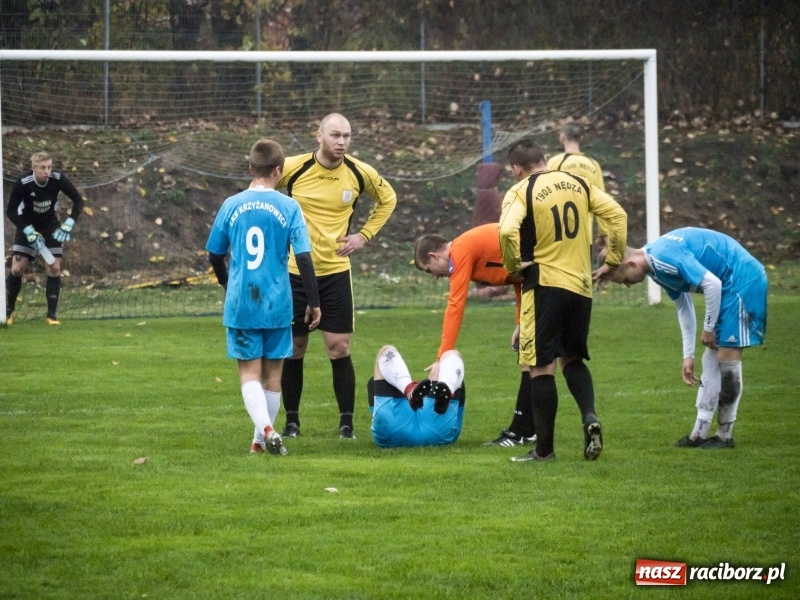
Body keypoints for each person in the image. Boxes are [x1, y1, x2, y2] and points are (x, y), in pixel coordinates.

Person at [498, 138, 627, 462]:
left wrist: (513, 265)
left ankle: (544, 452)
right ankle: (589, 415)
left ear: (516, 169)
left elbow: (506, 231)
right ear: (545, 159)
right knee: (572, 359)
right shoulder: (579, 183)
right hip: (581, 287)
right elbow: (617, 215)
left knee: (540, 367)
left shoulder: (521, 190)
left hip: (544, 285)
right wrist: (612, 260)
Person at [277, 113, 397, 439]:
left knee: (339, 347)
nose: (341, 142)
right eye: (335, 135)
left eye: (346, 136)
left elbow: (388, 198)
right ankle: (291, 422)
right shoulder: (294, 167)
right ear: (319, 136)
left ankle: (346, 424)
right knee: (294, 348)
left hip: (335, 273)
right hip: (294, 273)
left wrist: (364, 235)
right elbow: (260, 190)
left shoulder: (359, 172)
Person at [593, 227, 767, 449]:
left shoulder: (664, 256)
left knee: (726, 358)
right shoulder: (655, 268)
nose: (627, 284)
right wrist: (688, 355)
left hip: (743, 279)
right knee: (710, 358)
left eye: (623, 279)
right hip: (729, 284)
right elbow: (683, 306)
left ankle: (725, 436)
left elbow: (712, 284)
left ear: (632, 264)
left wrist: (708, 328)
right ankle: (699, 434)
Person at [206, 139, 321, 456]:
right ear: (279, 171)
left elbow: (215, 254)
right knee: (273, 376)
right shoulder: (289, 206)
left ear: (250, 168)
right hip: (278, 302)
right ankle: (260, 441)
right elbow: (304, 257)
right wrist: (314, 302)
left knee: (249, 373)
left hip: (242, 301)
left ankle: (265, 432)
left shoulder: (232, 204)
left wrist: (227, 284)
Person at [414, 224, 536, 447]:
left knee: (534, 363)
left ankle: (521, 432)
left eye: (430, 270)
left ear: (434, 256)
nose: (435, 277)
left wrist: (442, 358)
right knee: (530, 362)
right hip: (537, 282)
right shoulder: (467, 251)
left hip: (548, 278)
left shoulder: (460, 250)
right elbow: (520, 279)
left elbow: (455, 304)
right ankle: (527, 431)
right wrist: (521, 322)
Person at [5, 151, 85, 325]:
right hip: (27, 227)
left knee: (54, 268)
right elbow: (10, 211)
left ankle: (51, 316)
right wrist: (27, 230)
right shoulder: (23, 182)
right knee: (17, 269)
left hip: (50, 227)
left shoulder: (58, 179)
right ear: (34, 168)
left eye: (49, 167)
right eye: (42, 167)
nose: (47, 171)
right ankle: (8, 312)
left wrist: (69, 223)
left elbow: (79, 201)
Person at [367, 345, 466, 448]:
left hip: (392, 428)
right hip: (438, 429)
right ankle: (448, 388)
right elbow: (459, 402)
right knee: (452, 356)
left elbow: (373, 387)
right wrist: (440, 366)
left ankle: (408, 388)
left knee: (386, 351)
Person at [547, 122, 608, 254]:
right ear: (581, 138)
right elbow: (602, 201)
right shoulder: (593, 164)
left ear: (562, 137)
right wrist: (604, 233)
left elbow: (543, 196)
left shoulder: (554, 162)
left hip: (558, 235)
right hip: (585, 236)